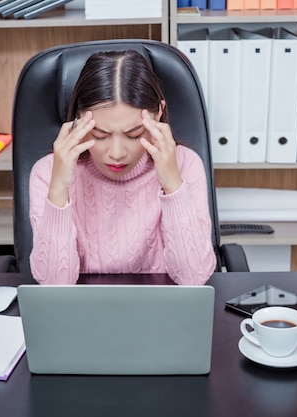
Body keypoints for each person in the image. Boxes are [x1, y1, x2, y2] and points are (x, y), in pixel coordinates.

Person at [28, 49, 217, 285]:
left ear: (158, 113)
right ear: (78, 118)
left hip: (160, 309)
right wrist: (59, 189)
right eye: (100, 134)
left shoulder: (185, 165)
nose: (116, 153)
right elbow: (53, 285)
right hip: (80, 312)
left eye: (133, 134)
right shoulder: (47, 173)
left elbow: (194, 278)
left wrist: (172, 184)